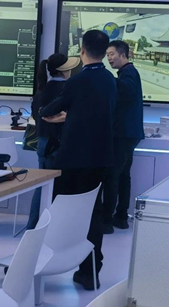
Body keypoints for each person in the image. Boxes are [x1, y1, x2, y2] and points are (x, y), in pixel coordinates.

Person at [40, 30, 117, 291]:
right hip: (101, 157)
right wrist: (71, 116)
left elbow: (52, 108)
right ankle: (90, 271)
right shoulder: (110, 80)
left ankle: (41, 263)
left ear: (82, 50)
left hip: (73, 159)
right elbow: (94, 113)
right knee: (93, 214)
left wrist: (46, 112)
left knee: (58, 211)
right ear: (104, 52)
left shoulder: (77, 81)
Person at [26, 53, 80, 230]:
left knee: (42, 186)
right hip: (59, 145)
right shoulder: (67, 91)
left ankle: (33, 226)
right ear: (65, 70)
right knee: (60, 187)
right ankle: (54, 228)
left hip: (43, 143)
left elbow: (35, 116)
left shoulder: (41, 90)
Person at [102, 40, 144, 234]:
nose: (109, 58)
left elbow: (126, 90)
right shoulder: (128, 72)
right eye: (107, 55)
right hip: (129, 133)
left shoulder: (128, 73)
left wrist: (106, 78)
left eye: (111, 54)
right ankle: (120, 217)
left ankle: (106, 221)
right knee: (123, 175)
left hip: (123, 134)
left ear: (123, 54)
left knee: (111, 176)